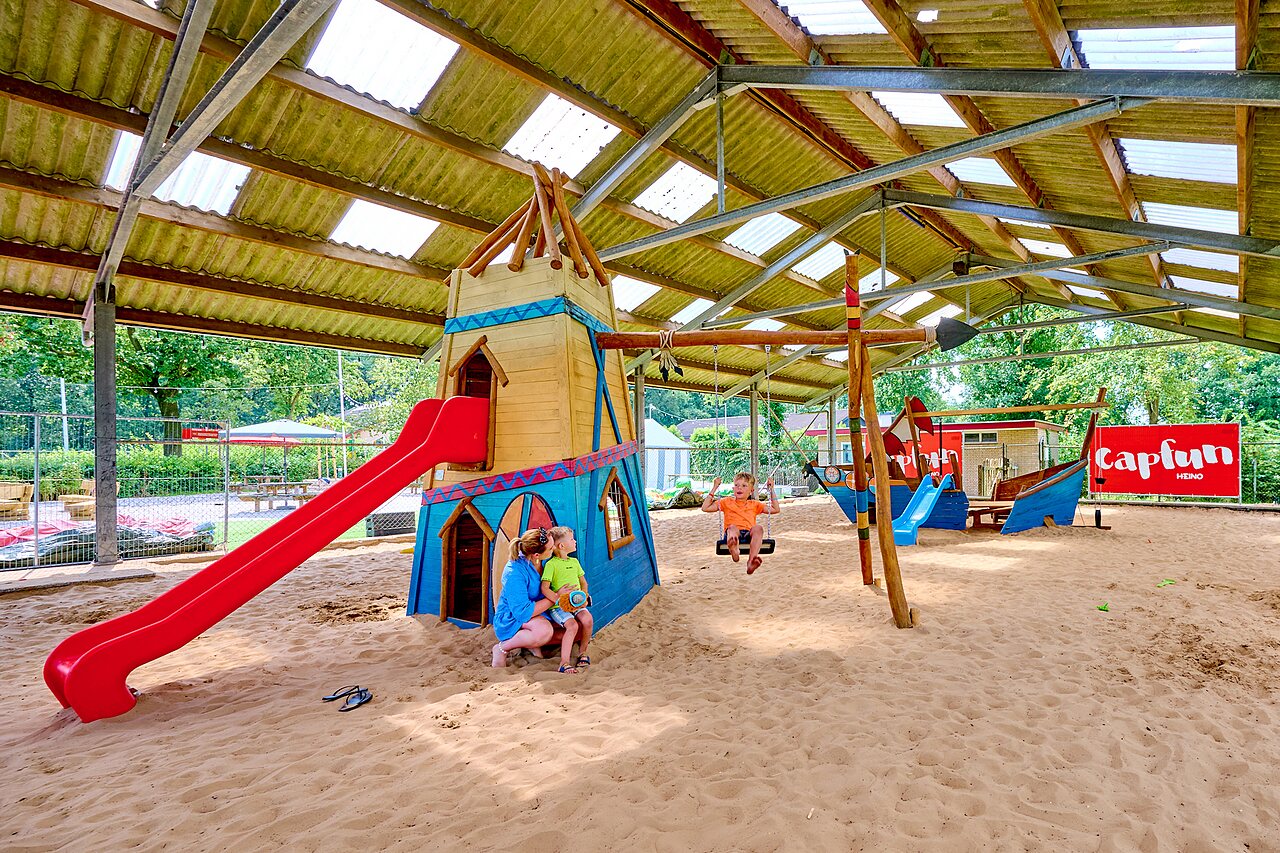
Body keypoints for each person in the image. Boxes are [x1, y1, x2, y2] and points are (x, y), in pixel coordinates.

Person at [491, 528, 560, 669]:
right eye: (551, 548)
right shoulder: (514, 571)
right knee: (544, 632)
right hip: (513, 615)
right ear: (536, 555)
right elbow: (521, 612)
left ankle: (531, 646)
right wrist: (555, 597)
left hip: (538, 610)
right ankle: (502, 648)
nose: (554, 549)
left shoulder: (545, 562)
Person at [701, 472, 780, 574]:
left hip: (748, 534)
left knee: (758, 528)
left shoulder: (755, 504)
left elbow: (775, 509)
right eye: (736, 485)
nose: (739, 488)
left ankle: (751, 560)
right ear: (733, 489)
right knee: (732, 528)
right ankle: (734, 549)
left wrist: (772, 490)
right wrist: (714, 487)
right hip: (732, 534)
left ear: (751, 491)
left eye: (744, 486)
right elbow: (705, 508)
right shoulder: (726, 502)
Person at [541, 526, 593, 673]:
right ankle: (564, 662)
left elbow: (584, 583)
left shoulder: (574, 562)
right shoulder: (551, 565)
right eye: (572, 539)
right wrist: (556, 598)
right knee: (572, 626)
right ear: (562, 546)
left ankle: (582, 652)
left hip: (577, 603)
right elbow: (545, 588)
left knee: (587, 620)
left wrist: (584, 596)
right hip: (559, 607)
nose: (575, 541)